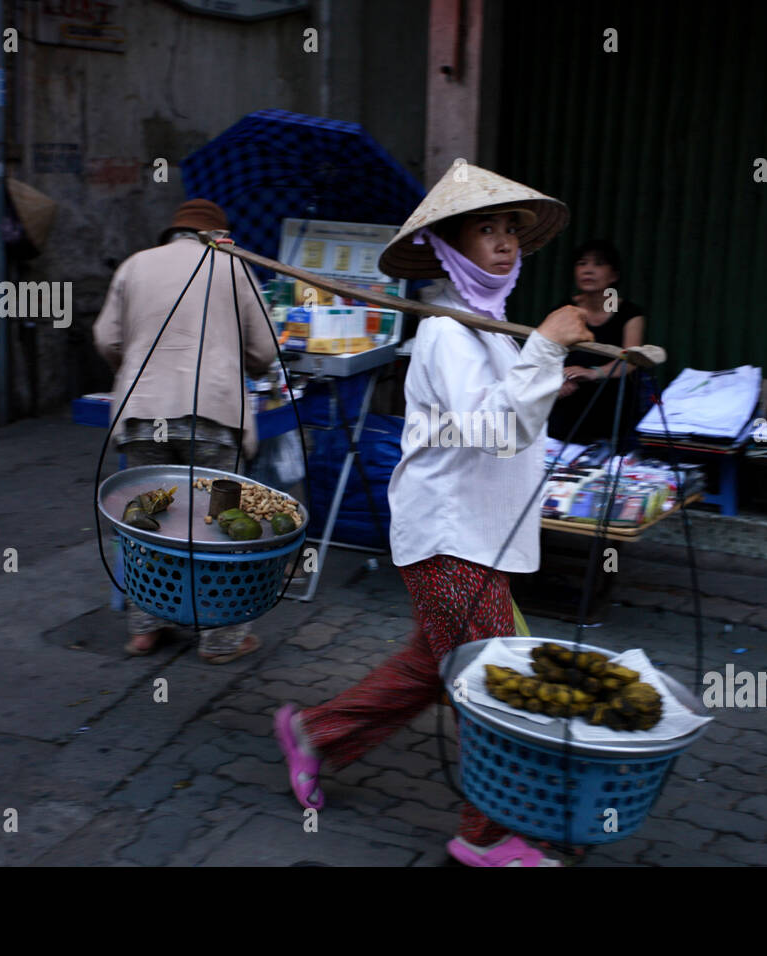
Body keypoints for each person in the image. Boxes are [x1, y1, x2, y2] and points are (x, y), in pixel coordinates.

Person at [274, 166, 592, 867]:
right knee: (489, 685)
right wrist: (547, 345)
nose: (505, 244)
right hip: (451, 538)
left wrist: (545, 370)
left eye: (511, 230)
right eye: (486, 230)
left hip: (478, 535)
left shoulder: (488, 331)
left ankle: (315, 733)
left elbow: (508, 413)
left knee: (436, 665)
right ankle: (485, 836)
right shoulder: (449, 332)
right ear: (450, 248)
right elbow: (491, 426)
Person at [93, 199, 277, 662]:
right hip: (210, 414)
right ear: (217, 235)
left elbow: (106, 338)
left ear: (173, 232)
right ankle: (220, 639)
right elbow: (264, 348)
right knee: (221, 525)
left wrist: (138, 365)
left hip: (143, 414)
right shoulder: (231, 267)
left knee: (147, 523)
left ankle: (144, 629)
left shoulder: (135, 266)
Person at [547, 239, 647, 447]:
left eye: (598, 264)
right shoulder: (564, 310)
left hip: (610, 413)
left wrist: (593, 373)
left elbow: (630, 361)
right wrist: (557, 380)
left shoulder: (627, 313)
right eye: (582, 263)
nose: (588, 270)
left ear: (614, 276)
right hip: (567, 409)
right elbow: (546, 355)